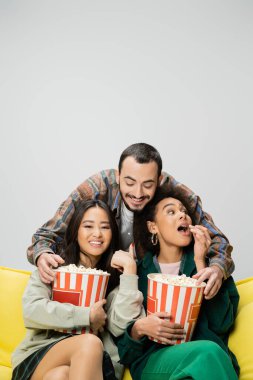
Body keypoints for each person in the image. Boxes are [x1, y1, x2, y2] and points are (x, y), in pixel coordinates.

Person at [27, 143, 234, 299]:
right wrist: (42, 254)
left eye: (147, 185)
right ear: (118, 176)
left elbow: (218, 240)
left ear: (159, 179)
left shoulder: (176, 193)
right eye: (130, 182)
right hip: (92, 286)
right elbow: (46, 235)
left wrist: (217, 269)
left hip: (142, 292)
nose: (137, 193)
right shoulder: (98, 186)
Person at [116, 189, 239, 380]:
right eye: (171, 211)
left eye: (184, 211)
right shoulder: (137, 274)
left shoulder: (207, 267)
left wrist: (200, 262)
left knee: (208, 355)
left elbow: (222, 324)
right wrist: (139, 328)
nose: (183, 214)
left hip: (207, 362)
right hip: (156, 362)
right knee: (207, 353)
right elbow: (125, 352)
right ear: (153, 227)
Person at [12, 199, 141, 380]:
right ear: (76, 231)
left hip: (92, 367)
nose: (97, 234)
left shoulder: (116, 280)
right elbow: (32, 310)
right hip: (40, 357)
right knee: (90, 343)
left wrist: (129, 271)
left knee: (59, 376)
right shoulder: (52, 267)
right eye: (88, 226)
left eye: (105, 227)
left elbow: (123, 326)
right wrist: (87, 316)